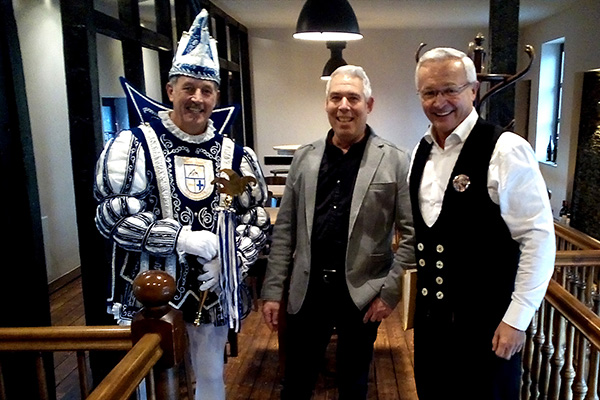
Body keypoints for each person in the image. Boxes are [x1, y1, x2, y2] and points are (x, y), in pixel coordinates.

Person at [93, 9, 269, 400]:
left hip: (213, 287)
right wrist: (181, 239)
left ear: (216, 97)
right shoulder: (133, 144)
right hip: (150, 290)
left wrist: (233, 257)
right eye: (188, 88)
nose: (197, 98)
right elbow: (113, 217)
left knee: (211, 379)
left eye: (206, 91)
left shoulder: (237, 154)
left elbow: (255, 217)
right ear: (171, 90)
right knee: (148, 384)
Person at [261, 65, 415, 400]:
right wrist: (273, 291)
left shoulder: (395, 160)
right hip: (307, 290)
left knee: (354, 383)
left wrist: (389, 293)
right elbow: (284, 229)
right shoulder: (304, 158)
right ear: (326, 104)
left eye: (353, 98)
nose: (343, 105)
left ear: (369, 105)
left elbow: (412, 235)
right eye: (335, 97)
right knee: (296, 382)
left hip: (362, 293)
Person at [410, 47, 555, 399]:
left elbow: (538, 238)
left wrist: (517, 319)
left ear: (473, 90)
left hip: (489, 328)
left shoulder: (506, 149)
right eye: (430, 92)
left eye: (450, 90)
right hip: (432, 329)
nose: (439, 101)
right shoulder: (420, 151)